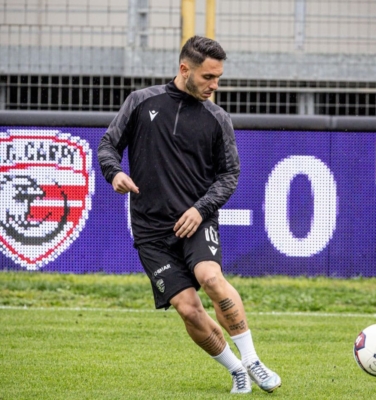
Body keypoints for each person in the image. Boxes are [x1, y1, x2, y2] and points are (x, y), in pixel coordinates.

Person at [98, 35, 281, 394]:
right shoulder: (141, 102)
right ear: (185, 69)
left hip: (196, 220)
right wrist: (114, 173)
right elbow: (108, 145)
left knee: (210, 277)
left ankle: (252, 360)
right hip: (150, 230)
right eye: (208, 77)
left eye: (218, 77)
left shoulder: (217, 118)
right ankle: (235, 370)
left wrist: (200, 209)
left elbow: (230, 174)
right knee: (187, 308)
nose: (215, 85)